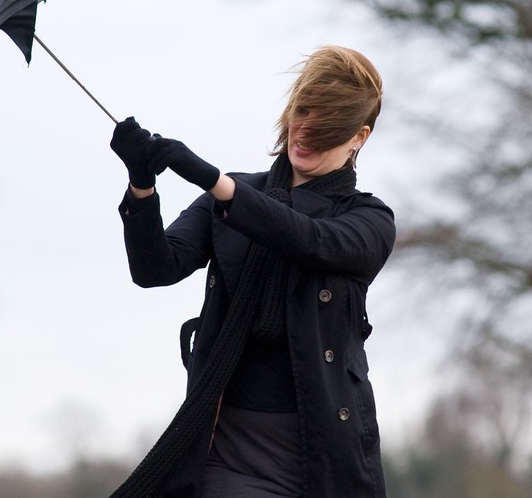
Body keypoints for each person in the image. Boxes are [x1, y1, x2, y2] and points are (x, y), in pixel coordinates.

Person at [108, 45, 395, 498]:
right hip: (230, 448)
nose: (305, 134)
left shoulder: (369, 220)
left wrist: (216, 183)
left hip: (324, 453)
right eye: (303, 114)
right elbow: (155, 268)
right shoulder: (232, 196)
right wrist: (142, 186)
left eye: (326, 129)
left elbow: (309, 240)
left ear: (359, 137)